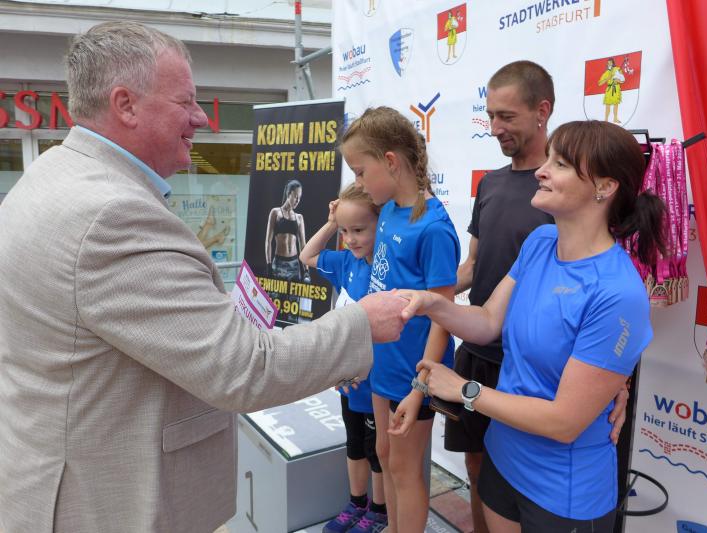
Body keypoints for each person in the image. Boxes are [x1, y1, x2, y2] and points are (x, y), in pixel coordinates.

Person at [0, 21, 407, 533]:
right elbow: (244, 368)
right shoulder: (111, 216)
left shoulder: (52, 173)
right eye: (186, 101)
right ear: (125, 105)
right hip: (110, 506)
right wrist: (361, 324)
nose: (201, 118)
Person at [401, 120, 666, 532]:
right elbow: (488, 321)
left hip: (563, 493)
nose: (541, 171)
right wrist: (433, 303)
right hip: (502, 460)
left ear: (604, 187)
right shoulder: (541, 241)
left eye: (560, 164)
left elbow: (564, 422)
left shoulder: (617, 293)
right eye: (549, 160)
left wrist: (465, 390)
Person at [450, 60, 628, 533]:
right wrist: (427, 300)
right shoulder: (497, 189)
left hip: (543, 388)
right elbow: (476, 272)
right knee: (479, 471)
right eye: (490, 115)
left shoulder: (577, 204)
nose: (495, 127)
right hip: (486, 361)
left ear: (541, 111)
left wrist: (613, 378)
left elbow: (609, 306)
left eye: (506, 116)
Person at [340, 106, 460, 533]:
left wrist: (420, 387)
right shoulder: (388, 209)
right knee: (385, 454)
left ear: (390, 161)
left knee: (406, 471)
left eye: (360, 172)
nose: (358, 183)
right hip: (382, 363)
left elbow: (444, 317)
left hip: (413, 373)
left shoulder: (434, 228)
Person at [299, 184, 388, 533]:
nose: (350, 239)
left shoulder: (386, 269)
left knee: (376, 450)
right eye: (345, 231)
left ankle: (379, 510)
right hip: (349, 379)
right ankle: (357, 502)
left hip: (377, 381)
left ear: (380, 224)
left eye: (359, 230)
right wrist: (332, 222)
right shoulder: (346, 262)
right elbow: (307, 255)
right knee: (354, 443)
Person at [265, 178, 308, 282]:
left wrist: (306, 270)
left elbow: (303, 245)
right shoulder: (275, 213)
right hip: (279, 263)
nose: (298, 200)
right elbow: (268, 241)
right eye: (296, 197)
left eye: (299, 198)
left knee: (294, 293)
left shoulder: (299, 217)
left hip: (294, 265)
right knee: (276, 292)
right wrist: (269, 265)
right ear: (289, 194)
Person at [598, 57, 625, 123]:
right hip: (609, 89)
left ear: (613, 63)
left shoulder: (617, 69)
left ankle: (615, 118)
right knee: (608, 105)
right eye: (608, 63)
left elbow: (623, 80)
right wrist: (607, 79)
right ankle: (606, 120)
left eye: (610, 63)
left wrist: (618, 80)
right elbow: (600, 83)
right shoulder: (606, 72)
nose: (609, 64)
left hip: (616, 88)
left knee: (616, 104)